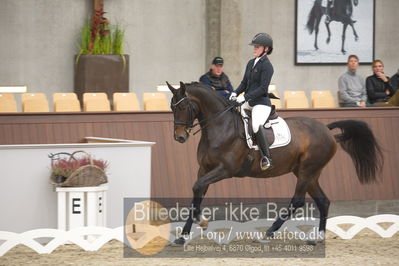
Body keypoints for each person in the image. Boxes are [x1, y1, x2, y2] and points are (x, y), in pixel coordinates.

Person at [229, 33, 274, 170]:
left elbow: (262, 88)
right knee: (234, 115)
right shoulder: (251, 63)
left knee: (255, 125)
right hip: (249, 102)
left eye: (257, 46)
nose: (254, 48)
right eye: (254, 46)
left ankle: (267, 158)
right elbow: (244, 82)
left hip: (261, 103)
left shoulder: (267, 66)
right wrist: (235, 92)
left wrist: (244, 97)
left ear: (266, 49)